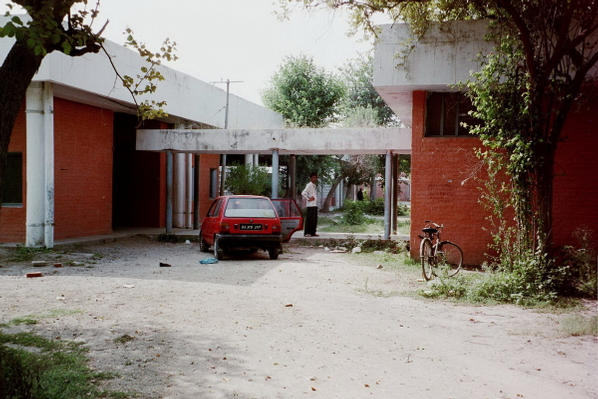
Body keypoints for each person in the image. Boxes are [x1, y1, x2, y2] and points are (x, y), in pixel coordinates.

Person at [301, 172, 319, 237]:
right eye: (313, 177)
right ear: (310, 178)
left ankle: (313, 232)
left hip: (314, 205)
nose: (314, 179)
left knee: (314, 220)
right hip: (310, 205)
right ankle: (307, 233)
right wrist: (308, 199)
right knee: (309, 219)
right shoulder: (309, 185)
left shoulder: (314, 185)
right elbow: (303, 193)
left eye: (315, 177)